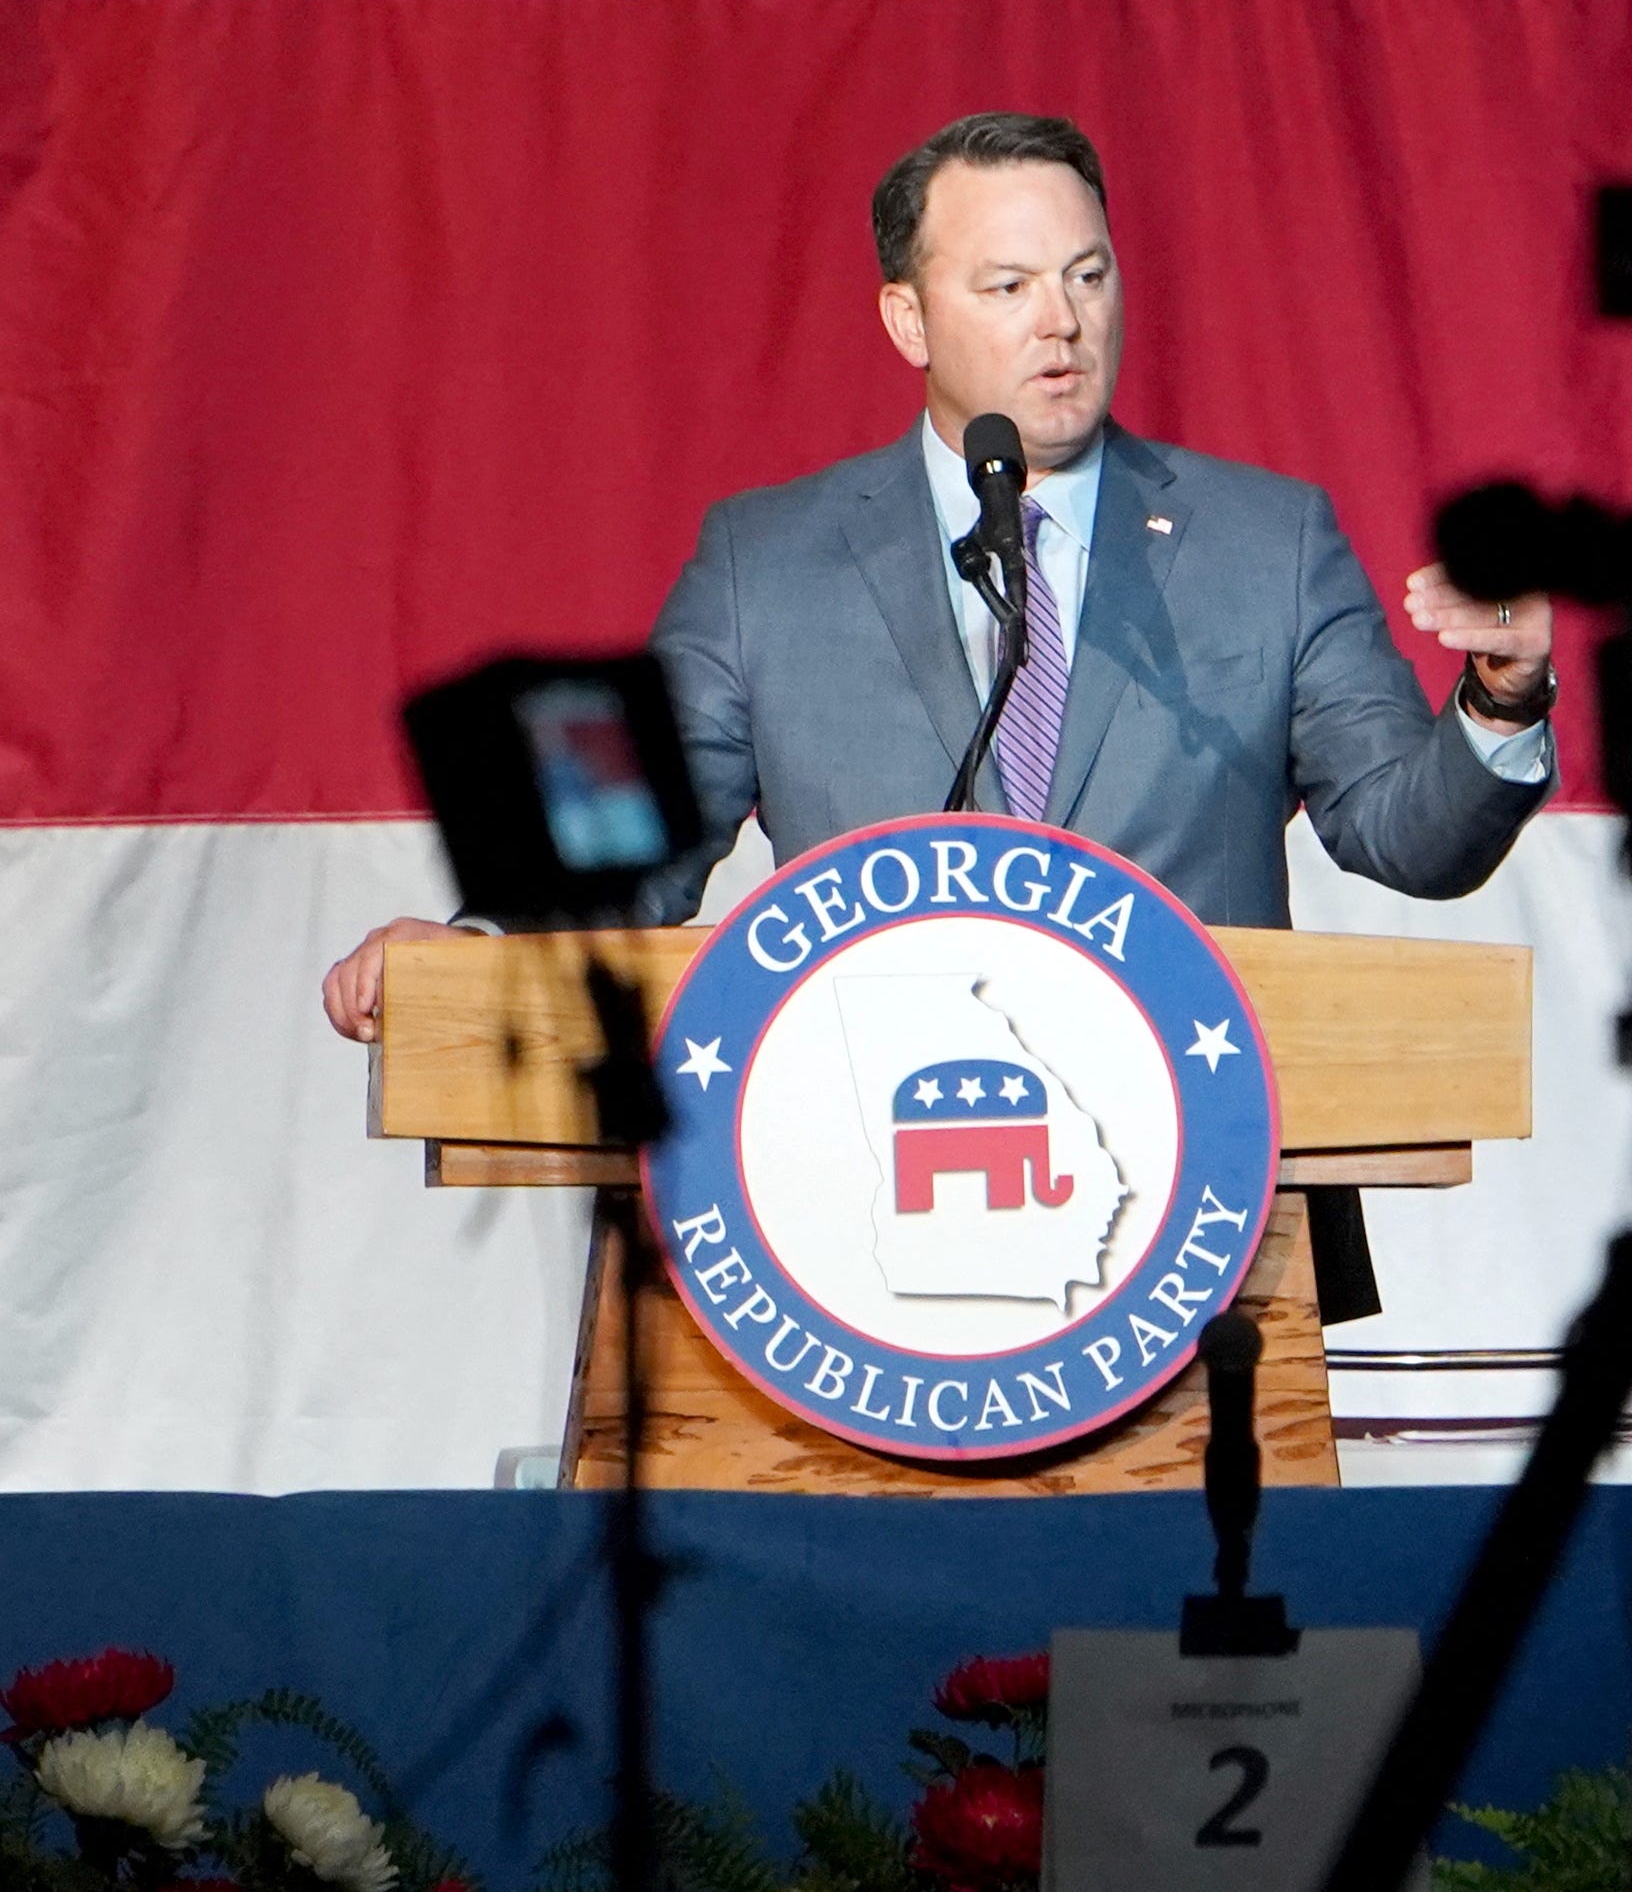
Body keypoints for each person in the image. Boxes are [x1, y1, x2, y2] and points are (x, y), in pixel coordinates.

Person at [320, 112, 1558, 1313]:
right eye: (1006, 285)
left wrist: (1501, 698)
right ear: (907, 318)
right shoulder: (767, 561)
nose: (1062, 321)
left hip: (1209, 1216)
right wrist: (475, 947)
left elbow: (1407, 834)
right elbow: (632, 846)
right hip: (858, 1207)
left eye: (1087, 274)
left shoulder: (1265, 540)